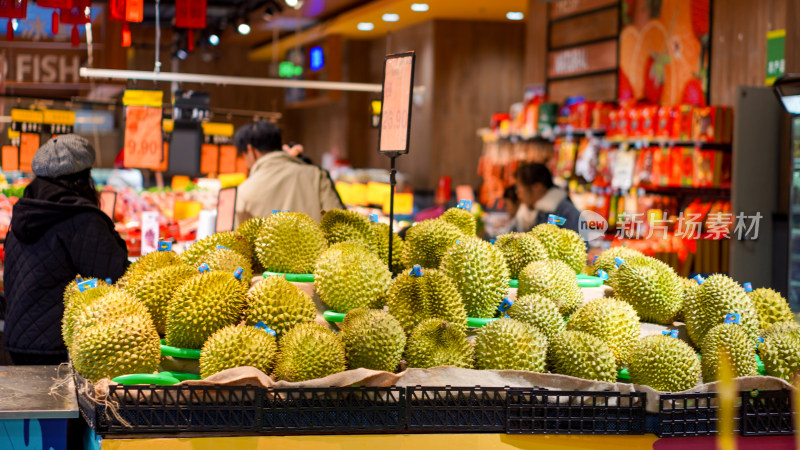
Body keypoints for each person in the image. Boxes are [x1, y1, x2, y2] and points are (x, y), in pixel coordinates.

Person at [4, 135, 129, 365]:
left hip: (18, 338)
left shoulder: (25, 211)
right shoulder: (81, 218)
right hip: (58, 345)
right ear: (82, 179)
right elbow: (114, 274)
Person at [234, 121, 344, 224]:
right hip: (317, 244)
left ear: (251, 151)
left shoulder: (243, 192)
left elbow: (236, 239)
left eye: (243, 155)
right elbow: (339, 223)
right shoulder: (317, 175)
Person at [514, 162, 582, 233]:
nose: (516, 191)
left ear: (537, 187)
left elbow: (579, 240)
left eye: (519, 186)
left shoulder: (564, 212)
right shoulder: (524, 211)